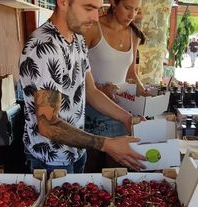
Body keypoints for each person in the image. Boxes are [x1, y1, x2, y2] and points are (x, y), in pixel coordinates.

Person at [19, 0, 147, 174]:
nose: (95, 18)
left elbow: (91, 91)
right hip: (52, 158)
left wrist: (126, 118)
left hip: (76, 150)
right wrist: (106, 144)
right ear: (63, 2)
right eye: (88, 8)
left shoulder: (77, 38)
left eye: (97, 9)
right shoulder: (45, 46)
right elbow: (48, 125)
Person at [82, 0, 148, 172]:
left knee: (118, 169)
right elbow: (75, 72)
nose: (131, 15)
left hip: (122, 111)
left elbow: (131, 73)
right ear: (113, 3)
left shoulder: (133, 34)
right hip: (92, 108)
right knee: (91, 167)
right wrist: (99, 88)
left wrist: (143, 92)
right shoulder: (93, 28)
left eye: (136, 10)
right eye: (127, 8)